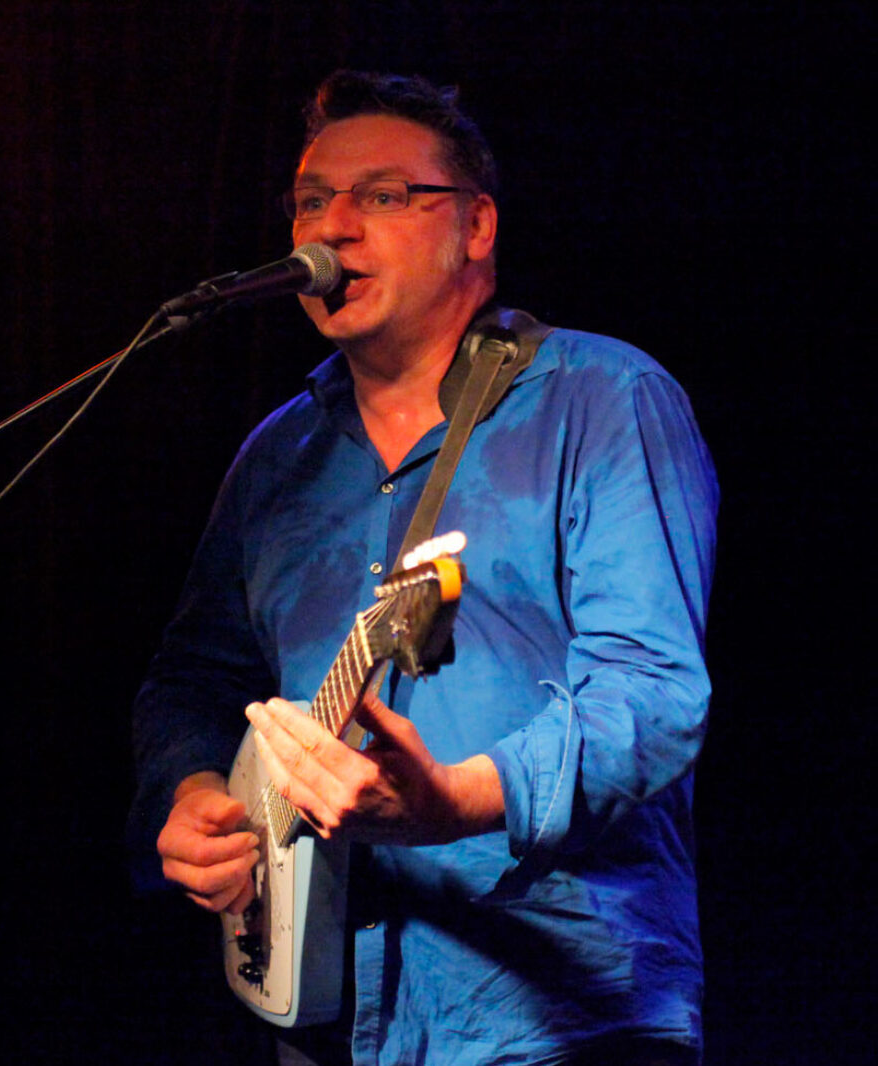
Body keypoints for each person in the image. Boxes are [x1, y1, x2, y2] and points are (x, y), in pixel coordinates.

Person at [131, 70, 717, 1065]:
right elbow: (193, 679)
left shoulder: (601, 397)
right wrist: (191, 795)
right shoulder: (275, 460)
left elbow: (653, 695)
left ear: (475, 226)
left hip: (556, 1018)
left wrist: (455, 800)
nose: (333, 226)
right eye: (312, 201)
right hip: (321, 1017)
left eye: (384, 195)